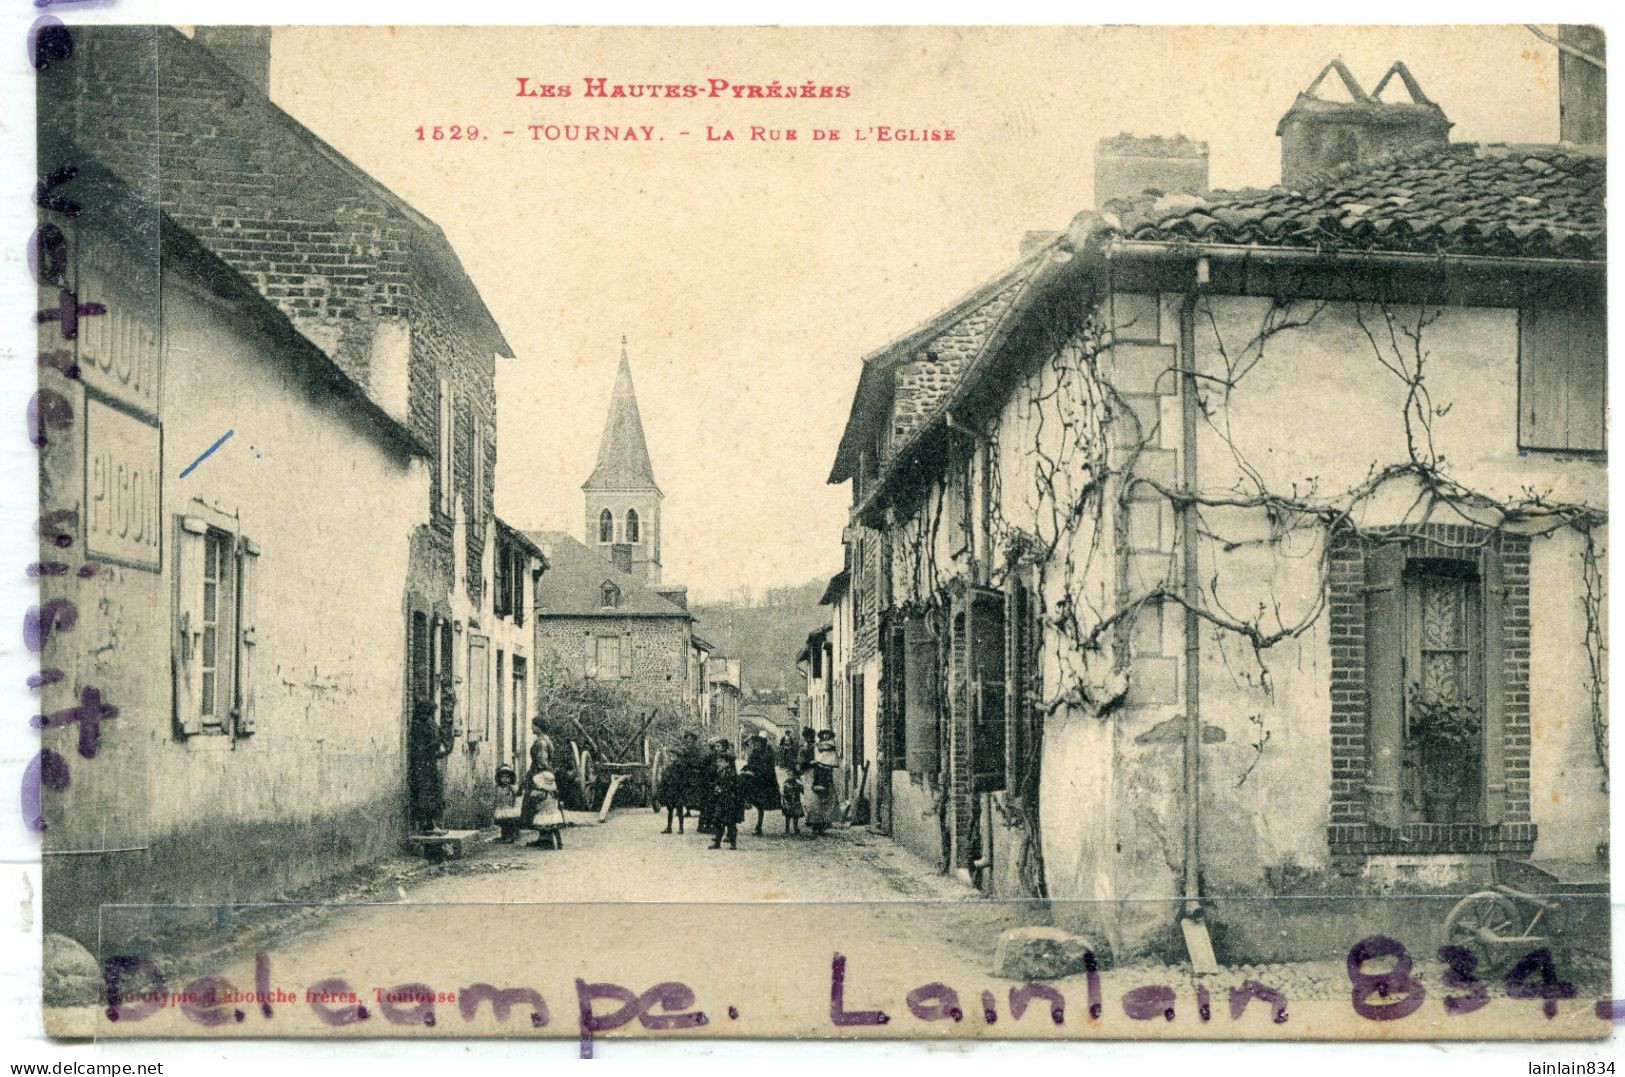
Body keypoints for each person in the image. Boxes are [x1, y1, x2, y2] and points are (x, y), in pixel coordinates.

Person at [408, 698, 453, 835]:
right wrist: (433, 748)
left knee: (434, 793)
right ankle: (426, 825)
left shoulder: (431, 723)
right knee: (425, 794)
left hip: (430, 764)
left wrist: (443, 747)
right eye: (429, 711)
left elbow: (439, 740)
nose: (430, 714)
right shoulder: (418, 725)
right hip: (422, 765)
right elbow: (419, 747)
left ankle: (432, 824)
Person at [521, 742, 567, 849]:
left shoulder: (542, 765)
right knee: (553, 827)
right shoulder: (552, 790)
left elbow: (535, 794)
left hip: (545, 809)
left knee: (545, 823)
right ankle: (556, 842)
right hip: (552, 810)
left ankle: (547, 840)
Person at [658, 731, 705, 834]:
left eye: (691, 740)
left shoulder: (681, 766)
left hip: (679, 791)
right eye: (670, 757)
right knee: (670, 810)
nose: (672, 758)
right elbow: (665, 779)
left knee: (679, 810)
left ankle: (681, 828)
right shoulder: (669, 767)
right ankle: (669, 827)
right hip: (671, 792)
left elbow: (684, 779)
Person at [739, 733, 781, 836]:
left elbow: (766, 770)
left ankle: (759, 826)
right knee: (740, 781)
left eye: (758, 744)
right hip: (754, 779)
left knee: (760, 805)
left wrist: (754, 772)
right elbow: (750, 765)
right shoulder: (754, 754)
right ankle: (746, 802)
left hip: (764, 782)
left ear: (762, 744)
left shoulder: (767, 755)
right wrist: (746, 769)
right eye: (755, 744)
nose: (756, 745)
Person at [802, 729, 842, 835]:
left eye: (811, 737)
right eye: (807, 737)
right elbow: (801, 762)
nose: (809, 739)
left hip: (826, 776)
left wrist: (824, 764)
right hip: (811, 776)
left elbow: (831, 759)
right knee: (813, 802)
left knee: (826, 801)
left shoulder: (826, 747)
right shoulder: (807, 748)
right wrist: (810, 763)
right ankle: (814, 825)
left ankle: (823, 826)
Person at [706, 739, 743, 850]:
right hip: (720, 799)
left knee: (730, 822)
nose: (718, 763)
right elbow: (715, 781)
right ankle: (717, 842)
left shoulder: (731, 773)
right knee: (718, 820)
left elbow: (733, 785)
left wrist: (722, 788)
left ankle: (733, 843)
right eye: (718, 762)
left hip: (729, 799)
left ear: (726, 763)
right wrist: (716, 787)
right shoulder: (719, 772)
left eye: (721, 762)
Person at [493, 764, 523, 843]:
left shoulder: (511, 787)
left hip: (510, 808)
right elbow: (495, 797)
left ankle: (511, 836)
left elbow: (518, 793)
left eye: (507, 777)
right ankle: (504, 836)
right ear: (499, 778)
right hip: (501, 808)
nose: (505, 779)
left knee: (510, 823)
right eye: (503, 777)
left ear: (510, 778)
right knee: (503, 823)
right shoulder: (497, 788)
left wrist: (517, 788)